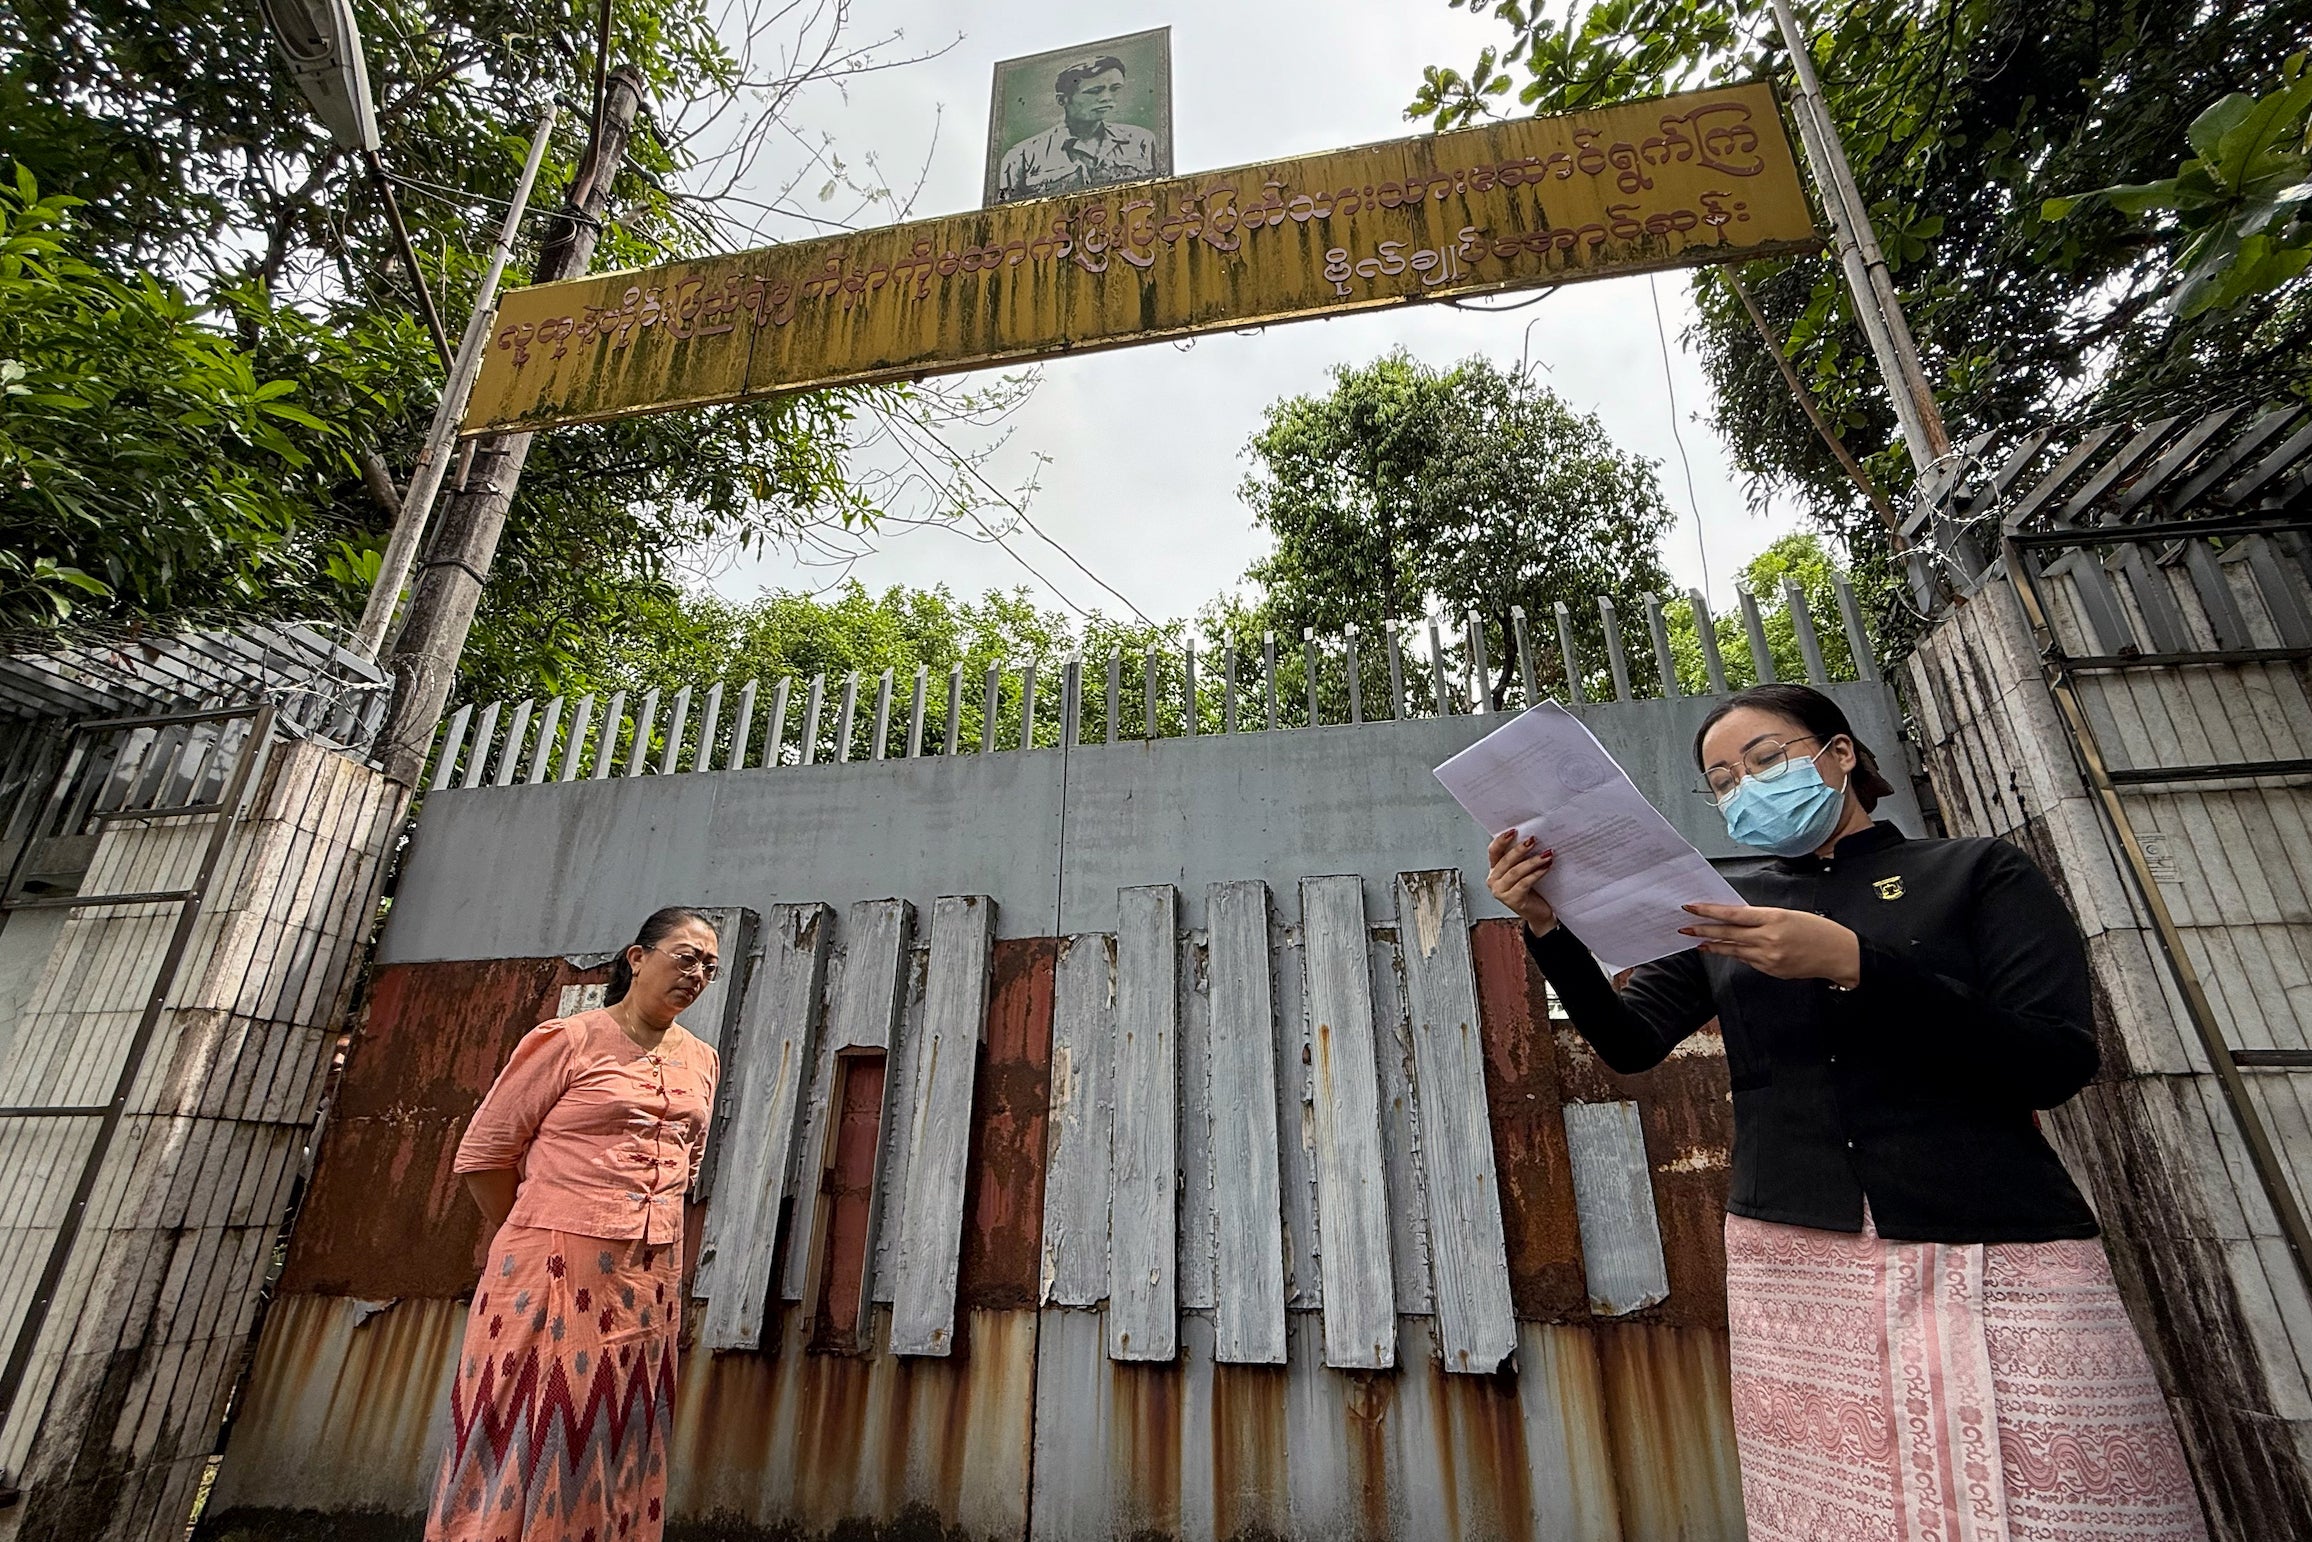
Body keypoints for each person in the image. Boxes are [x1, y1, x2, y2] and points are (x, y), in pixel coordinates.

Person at [1486, 683, 2207, 1542]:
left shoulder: (1977, 873)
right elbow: (1632, 1042)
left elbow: (2054, 1060)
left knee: (2057, 1494)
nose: (1744, 788)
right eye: (1721, 781)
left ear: (1841, 755)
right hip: (1794, 1246)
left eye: (1765, 760)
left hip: (1992, 1234)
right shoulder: (1723, 902)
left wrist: (1860, 964)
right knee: (1837, 1503)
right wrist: (1546, 929)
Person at [424, 908, 723, 1542]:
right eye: (685, 956)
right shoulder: (569, 1040)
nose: (697, 974)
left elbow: (688, 1159)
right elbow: (484, 1153)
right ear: (636, 957)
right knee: (534, 1420)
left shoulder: (702, 1059)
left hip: (650, 1277)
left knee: (623, 1429)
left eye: (710, 967)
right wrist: (542, 1231)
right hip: (552, 1268)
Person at [995, 54, 1159, 202]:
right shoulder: (1022, 156)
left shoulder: (1141, 141)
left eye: (1114, 89)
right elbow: (1002, 219)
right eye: (1094, 91)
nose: (1107, 98)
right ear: (1062, 100)